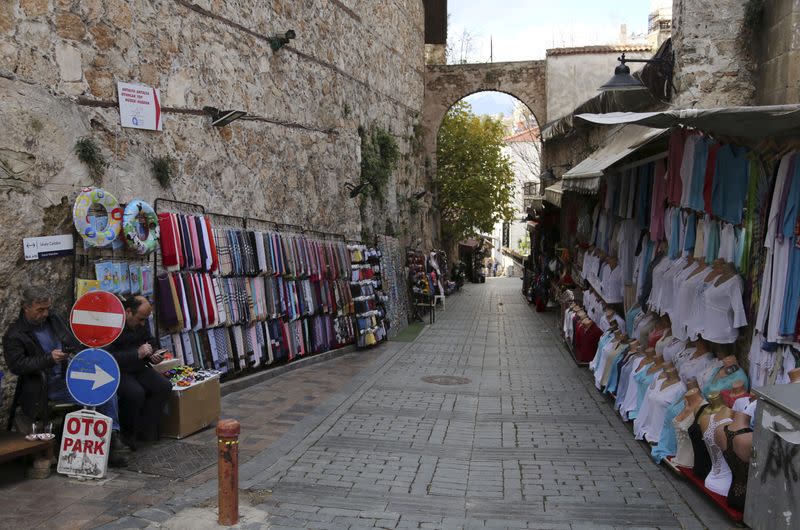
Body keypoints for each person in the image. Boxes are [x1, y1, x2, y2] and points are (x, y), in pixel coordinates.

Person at [3, 287, 127, 467]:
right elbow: (17, 365)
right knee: (96, 397)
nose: (45, 313)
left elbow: (73, 341)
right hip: (44, 386)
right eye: (40, 310)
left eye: (47, 308)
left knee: (107, 391)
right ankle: (105, 449)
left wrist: (79, 354)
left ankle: (112, 438)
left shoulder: (54, 319)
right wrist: (49, 359)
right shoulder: (15, 334)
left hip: (69, 375)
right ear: (26, 308)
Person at [107, 295, 171, 447]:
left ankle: (146, 430)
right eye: (140, 319)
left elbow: (150, 341)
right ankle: (128, 436)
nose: (143, 323)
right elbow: (109, 357)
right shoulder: (112, 324)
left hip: (139, 367)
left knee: (163, 386)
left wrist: (154, 354)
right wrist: (136, 354)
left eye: (145, 319)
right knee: (135, 393)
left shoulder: (142, 323)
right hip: (119, 370)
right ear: (128, 311)